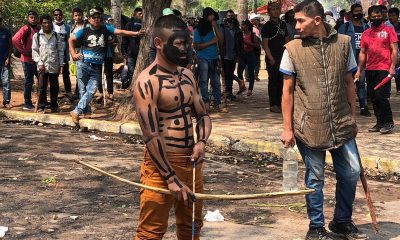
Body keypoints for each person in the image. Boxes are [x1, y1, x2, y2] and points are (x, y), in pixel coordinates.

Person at [279, 1, 369, 239]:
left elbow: (349, 82)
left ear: (317, 20)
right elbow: (287, 92)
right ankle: (316, 227)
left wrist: (352, 116)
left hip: (341, 123)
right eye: (295, 21)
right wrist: (287, 128)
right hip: (308, 126)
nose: (296, 25)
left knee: (351, 172)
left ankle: (341, 221)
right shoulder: (292, 49)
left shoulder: (343, 44)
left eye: (300, 20)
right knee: (315, 177)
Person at [133, 14, 211, 240]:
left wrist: (202, 142)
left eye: (187, 42)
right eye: (178, 44)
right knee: (150, 231)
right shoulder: (147, 81)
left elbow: (203, 115)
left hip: (192, 164)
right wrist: (169, 177)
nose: (186, 48)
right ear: (159, 43)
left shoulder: (188, 75)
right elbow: (150, 135)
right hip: (160, 166)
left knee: (192, 226)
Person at [69, 9, 141, 124]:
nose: (96, 19)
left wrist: (136, 33)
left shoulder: (105, 28)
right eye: (94, 17)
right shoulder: (84, 31)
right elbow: (71, 40)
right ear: (89, 19)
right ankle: (84, 112)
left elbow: (120, 32)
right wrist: (73, 54)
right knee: (83, 90)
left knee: (91, 90)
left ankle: (77, 111)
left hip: (97, 66)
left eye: (98, 17)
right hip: (82, 64)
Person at [355, 5, 398, 134]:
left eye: (378, 16)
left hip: (384, 68)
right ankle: (379, 123)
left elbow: (394, 50)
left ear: (382, 16)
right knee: (373, 97)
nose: (376, 18)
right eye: (373, 17)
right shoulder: (366, 33)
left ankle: (388, 122)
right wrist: (359, 69)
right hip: (370, 68)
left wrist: (392, 67)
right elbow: (362, 53)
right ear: (369, 18)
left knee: (381, 96)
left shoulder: (389, 30)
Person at [338, 3, 371, 117]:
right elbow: (339, 43)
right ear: (351, 13)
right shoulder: (345, 27)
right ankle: (348, 107)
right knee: (348, 83)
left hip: (362, 59)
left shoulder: (366, 27)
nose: (359, 13)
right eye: (356, 11)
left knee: (361, 83)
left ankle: (363, 107)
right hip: (348, 59)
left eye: (360, 11)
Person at [32, 14, 65, 113]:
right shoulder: (37, 36)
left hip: (54, 65)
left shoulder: (56, 35)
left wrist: (61, 64)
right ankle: (41, 106)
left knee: (54, 87)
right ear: (41, 24)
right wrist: (39, 62)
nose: (47, 24)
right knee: (42, 86)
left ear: (51, 23)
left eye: (49, 22)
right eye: (44, 22)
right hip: (42, 66)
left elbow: (60, 50)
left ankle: (54, 106)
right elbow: (34, 51)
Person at [261, 1, 289, 113]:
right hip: (272, 57)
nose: (276, 11)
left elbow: (287, 39)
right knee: (273, 81)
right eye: (273, 9)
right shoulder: (266, 27)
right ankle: (273, 104)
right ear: (269, 12)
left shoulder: (283, 24)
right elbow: (265, 44)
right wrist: (271, 58)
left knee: (282, 81)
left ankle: (280, 103)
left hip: (283, 56)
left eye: (278, 9)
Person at [193, 7, 224, 111]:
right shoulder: (198, 29)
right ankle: (205, 102)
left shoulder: (215, 26)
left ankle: (217, 102)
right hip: (203, 58)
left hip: (214, 57)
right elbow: (197, 46)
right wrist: (212, 42)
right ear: (206, 16)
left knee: (216, 82)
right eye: (211, 15)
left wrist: (215, 26)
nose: (213, 17)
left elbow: (221, 41)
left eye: (213, 15)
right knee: (204, 81)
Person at [12, 10, 40, 110]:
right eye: (31, 17)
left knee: (41, 81)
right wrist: (24, 51)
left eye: (35, 18)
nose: (33, 19)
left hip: (37, 60)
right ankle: (27, 103)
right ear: (28, 18)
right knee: (29, 81)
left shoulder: (38, 29)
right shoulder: (25, 28)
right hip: (27, 60)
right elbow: (15, 39)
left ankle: (40, 102)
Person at [220, 16, 243, 100]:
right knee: (227, 74)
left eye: (231, 23)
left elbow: (240, 45)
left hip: (233, 56)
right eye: (228, 23)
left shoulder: (237, 31)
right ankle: (227, 91)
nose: (229, 25)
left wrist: (238, 56)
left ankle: (229, 91)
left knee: (230, 74)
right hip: (225, 56)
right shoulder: (223, 30)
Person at [122, 7, 144, 89]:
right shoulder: (129, 24)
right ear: (134, 15)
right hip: (131, 53)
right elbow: (125, 39)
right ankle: (132, 88)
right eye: (139, 14)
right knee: (131, 71)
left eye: (142, 14)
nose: (141, 15)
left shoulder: (146, 25)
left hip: (141, 53)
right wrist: (123, 51)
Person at [53, 9, 72, 98]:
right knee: (54, 74)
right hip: (54, 54)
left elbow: (69, 40)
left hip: (64, 53)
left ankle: (68, 91)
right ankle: (55, 92)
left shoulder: (67, 27)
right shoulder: (51, 26)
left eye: (60, 14)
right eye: (56, 15)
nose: (58, 16)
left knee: (65, 73)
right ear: (54, 16)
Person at [237, 20, 260, 96]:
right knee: (239, 72)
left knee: (251, 73)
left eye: (243, 25)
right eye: (241, 25)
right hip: (242, 55)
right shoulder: (240, 34)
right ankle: (242, 86)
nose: (242, 27)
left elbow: (257, 45)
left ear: (247, 26)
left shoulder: (252, 35)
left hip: (251, 54)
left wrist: (248, 43)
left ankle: (250, 89)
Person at [70, 7, 86, 99]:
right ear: (73, 17)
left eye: (80, 15)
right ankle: (77, 91)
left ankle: (81, 93)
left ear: (82, 16)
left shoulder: (86, 25)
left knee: (83, 72)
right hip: (74, 51)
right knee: (76, 72)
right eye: (76, 15)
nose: (78, 17)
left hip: (84, 50)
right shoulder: (72, 26)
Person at [0, 16, 12, 108]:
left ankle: (6, 101)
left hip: (4, 61)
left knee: (6, 82)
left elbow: (10, 45)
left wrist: (8, 58)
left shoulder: (6, 32)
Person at [388, 7, 400, 94]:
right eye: (390, 16)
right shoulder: (387, 28)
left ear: (397, 16)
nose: (391, 17)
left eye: (393, 15)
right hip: (392, 54)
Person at [249, 13, 263, 82]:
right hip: (251, 46)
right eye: (254, 20)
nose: (255, 21)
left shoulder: (261, 27)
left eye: (257, 19)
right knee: (249, 61)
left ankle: (256, 75)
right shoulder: (250, 28)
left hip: (258, 47)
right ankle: (248, 76)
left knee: (257, 61)